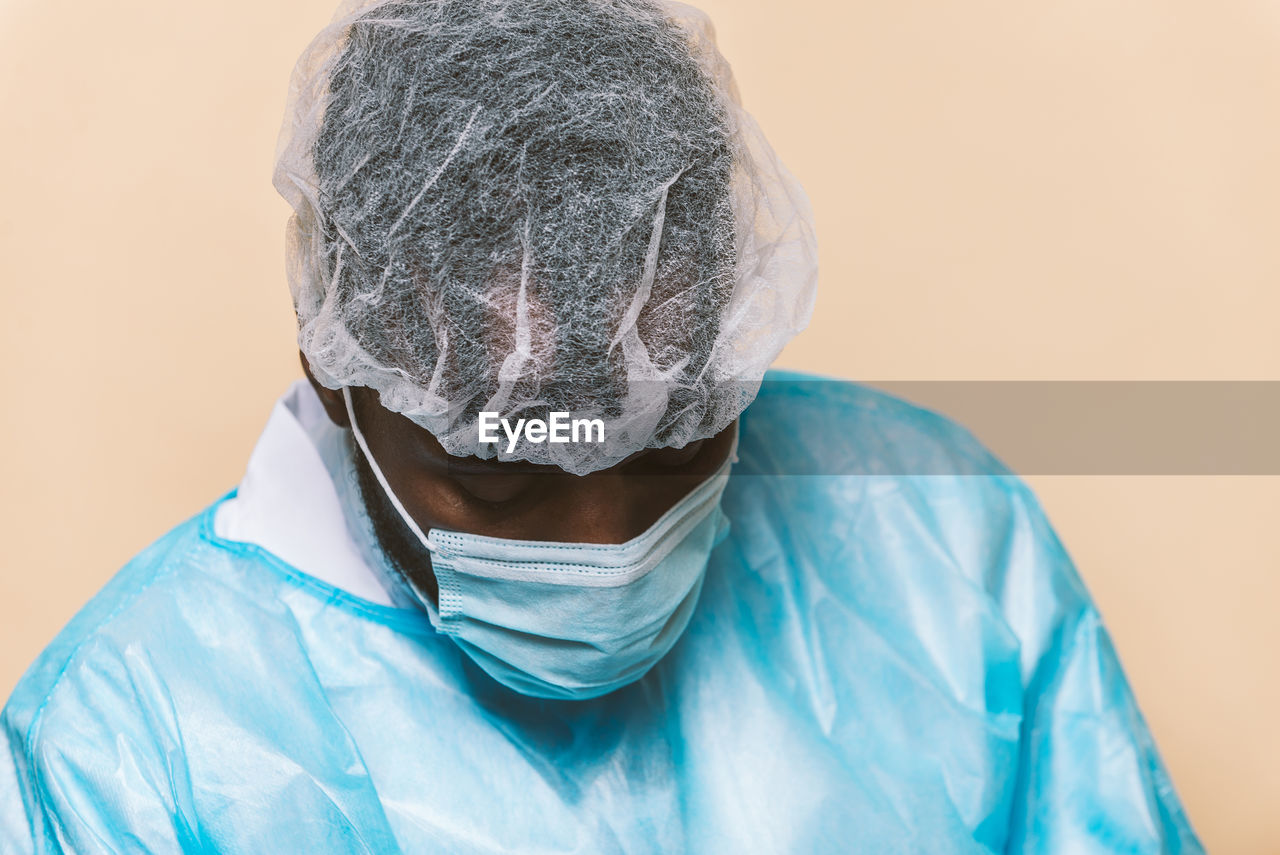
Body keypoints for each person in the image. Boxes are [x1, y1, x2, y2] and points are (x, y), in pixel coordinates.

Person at [1, 0, 1204, 851]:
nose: (605, 536)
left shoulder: (941, 544)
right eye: (504, 475)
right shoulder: (129, 757)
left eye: (674, 441)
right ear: (338, 371)